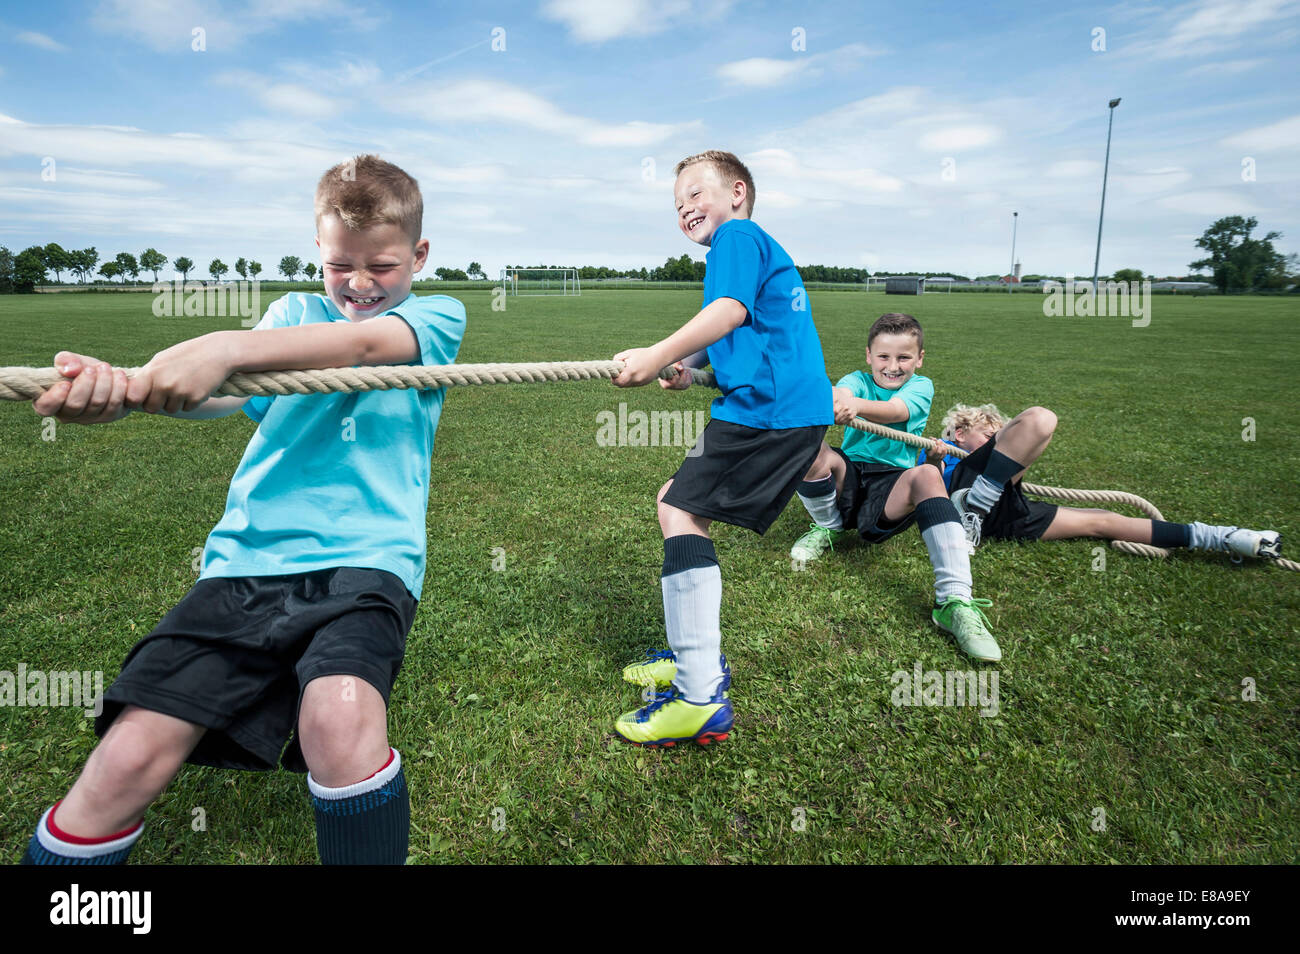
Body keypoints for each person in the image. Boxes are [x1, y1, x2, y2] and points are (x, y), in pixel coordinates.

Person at [21, 154, 465, 865]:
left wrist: (226, 344)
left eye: (380, 265)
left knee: (340, 718)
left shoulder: (435, 316)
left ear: (418, 254)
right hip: (244, 563)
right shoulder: (290, 314)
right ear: (317, 252)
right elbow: (217, 395)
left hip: (367, 562)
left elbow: (362, 345)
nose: (356, 283)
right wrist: (115, 398)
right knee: (128, 756)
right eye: (337, 264)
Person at [610, 150, 833, 746]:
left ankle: (700, 696)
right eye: (677, 201)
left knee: (678, 509)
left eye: (695, 192)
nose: (685, 206)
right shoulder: (743, 247)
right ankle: (693, 658)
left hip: (772, 414)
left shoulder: (737, 235)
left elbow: (729, 311)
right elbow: (742, 322)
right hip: (775, 411)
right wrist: (688, 364)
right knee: (676, 502)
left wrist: (657, 355)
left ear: (737, 192)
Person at [786, 313, 1002, 662]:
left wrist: (854, 406)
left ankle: (955, 601)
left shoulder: (921, 386)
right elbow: (843, 391)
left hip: (892, 483)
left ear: (919, 359)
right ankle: (829, 528)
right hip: (849, 473)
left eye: (904, 357)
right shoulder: (856, 380)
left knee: (929, 476)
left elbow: (894, 410)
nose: (893, 366)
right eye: (884, 356)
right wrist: (837, 398)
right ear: (869, 356)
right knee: (806, 448)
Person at [925, 403, 1281, 558]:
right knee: (1039, 418)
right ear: (959, 432)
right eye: (990, 435)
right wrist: (934, 459)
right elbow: (929, 491)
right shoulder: (950, 455)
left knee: (1102, 520)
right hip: (963, 495)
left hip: (1001, 510)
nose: (997, 440)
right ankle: (975, 507)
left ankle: (1222, 537)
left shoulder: (1000, 459)